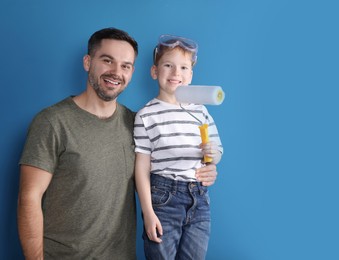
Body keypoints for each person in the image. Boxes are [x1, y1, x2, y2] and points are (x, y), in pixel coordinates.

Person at [17, 28, 218, 259]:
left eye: (126, 65)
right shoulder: (53, 122)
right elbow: (29, 198)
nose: (116, 72)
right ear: (87, 62)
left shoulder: (136, 123)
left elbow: (167, 170)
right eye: (107, 60)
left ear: (132, 72)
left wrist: (206, 169)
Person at [134, 34, 223, 259]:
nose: (176, 74)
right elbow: (142, 169)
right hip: (163, 200)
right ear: (155, 71)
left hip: (199, 198)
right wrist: (148, 213)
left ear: (191, 75)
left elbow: (217, 151)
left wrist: (214, 155)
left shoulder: (201, 111)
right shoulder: (146, 115)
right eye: (168, 65)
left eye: (184, 67)